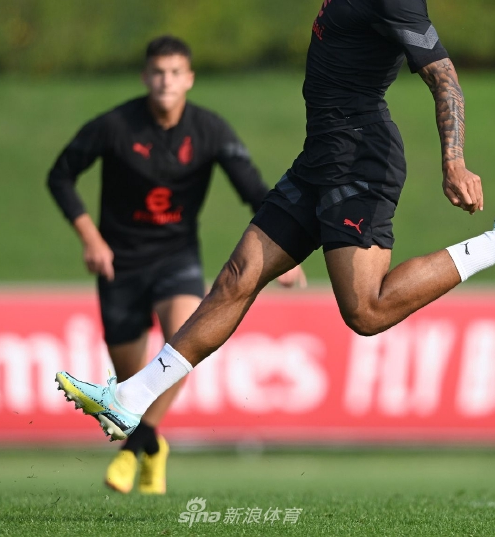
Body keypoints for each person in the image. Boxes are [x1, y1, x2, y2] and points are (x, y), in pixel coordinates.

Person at [55, 0, 495, 443]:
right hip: (321, 157)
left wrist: (455, 161)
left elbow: (444, 77)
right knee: (237, 277)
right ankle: (129, 399)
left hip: (360, 159)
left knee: (367, 311)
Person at [47, 35, 306, 493]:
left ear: (189, 79)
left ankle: (133, 449)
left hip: (177, 258)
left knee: (181, 343)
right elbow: (60, 176)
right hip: (119, 265)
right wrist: (91, 239)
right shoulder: (114, 126)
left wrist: (283, 254)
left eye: (174, 73)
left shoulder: (210, 130)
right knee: (132, 383)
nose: (166, 81)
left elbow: (253, 190)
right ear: (145, 77)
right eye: (158, 72)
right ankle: (154, 446)